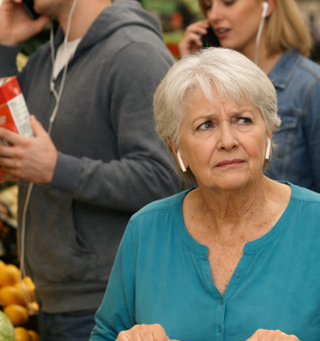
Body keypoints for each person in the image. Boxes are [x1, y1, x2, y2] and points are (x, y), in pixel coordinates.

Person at [90, 48, 320, 341]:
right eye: (205, 125)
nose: (227, 140)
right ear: (175, 147)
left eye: (243, 120)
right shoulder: (146, 230)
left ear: (268, 132)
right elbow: (104, 335)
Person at [0, 0, 182, 339]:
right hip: (49, 296)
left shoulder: (134, 53)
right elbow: (8, 139)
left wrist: (57, 169)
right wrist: (5, 46)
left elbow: (168, 178)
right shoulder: (45, 59)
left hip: (110, 305)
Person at [178, 0, 320, 214]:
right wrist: (191, 71)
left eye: (227, 2)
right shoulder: (205, 85)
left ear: (267, 5)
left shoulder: (315, 88)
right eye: (208, 6)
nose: (214, 15)